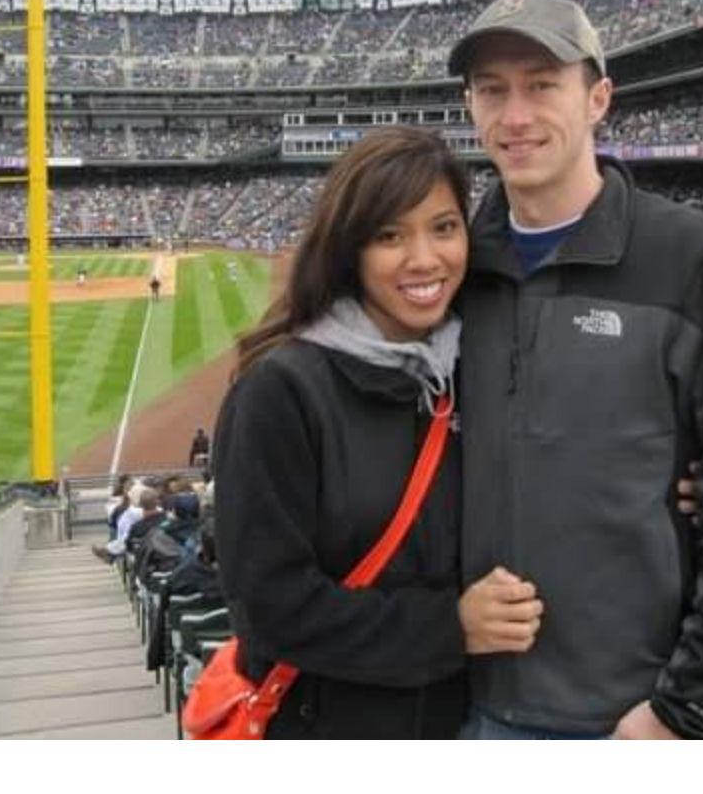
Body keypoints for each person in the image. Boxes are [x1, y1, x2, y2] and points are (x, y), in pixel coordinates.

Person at [448, 0, 703, 739]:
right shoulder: (451, 269)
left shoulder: (691, 255)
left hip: (629, 714)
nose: (514, 116)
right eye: (491, 90)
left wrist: (689, 707)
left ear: (597, 96)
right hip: (460, 697)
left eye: (542, 84)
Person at [212, 127, 542, 740]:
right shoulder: (280, 390)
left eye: (444, 228)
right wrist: (450, 627)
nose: (425, 259)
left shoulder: (469, 369)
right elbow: (270, 607)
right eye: (390, 235)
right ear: (350, 250)